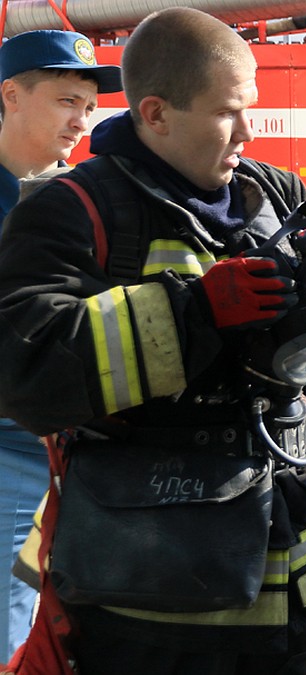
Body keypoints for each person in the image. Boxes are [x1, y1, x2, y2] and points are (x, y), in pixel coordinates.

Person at [0, 8, 306, 673]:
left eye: (250, 109)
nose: (248, 132)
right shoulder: (71, 213)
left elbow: (284, 409)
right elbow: (28, 372)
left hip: (295, 618)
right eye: (228, 113)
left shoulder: (274, 194)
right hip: (145, 619)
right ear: (158, 114)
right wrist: (192, 313)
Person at [0, 28, 121, 662]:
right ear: (12, 95)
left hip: (55, 453)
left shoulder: (81, 203)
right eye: (65, 100)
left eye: (89, 106)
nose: (81, 120)